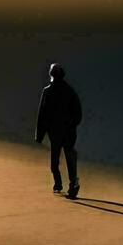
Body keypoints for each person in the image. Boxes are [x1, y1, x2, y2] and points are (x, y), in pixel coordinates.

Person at [35, 62, 82, 198]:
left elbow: (42, 115)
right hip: (65, 132)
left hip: (59, 132)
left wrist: (40, 134)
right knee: (66, 158)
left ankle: (62, 184)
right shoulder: (67, 91)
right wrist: (72, 124)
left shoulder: (50, 91)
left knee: (57, 160)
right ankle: (68, 184)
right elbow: (78, 113)